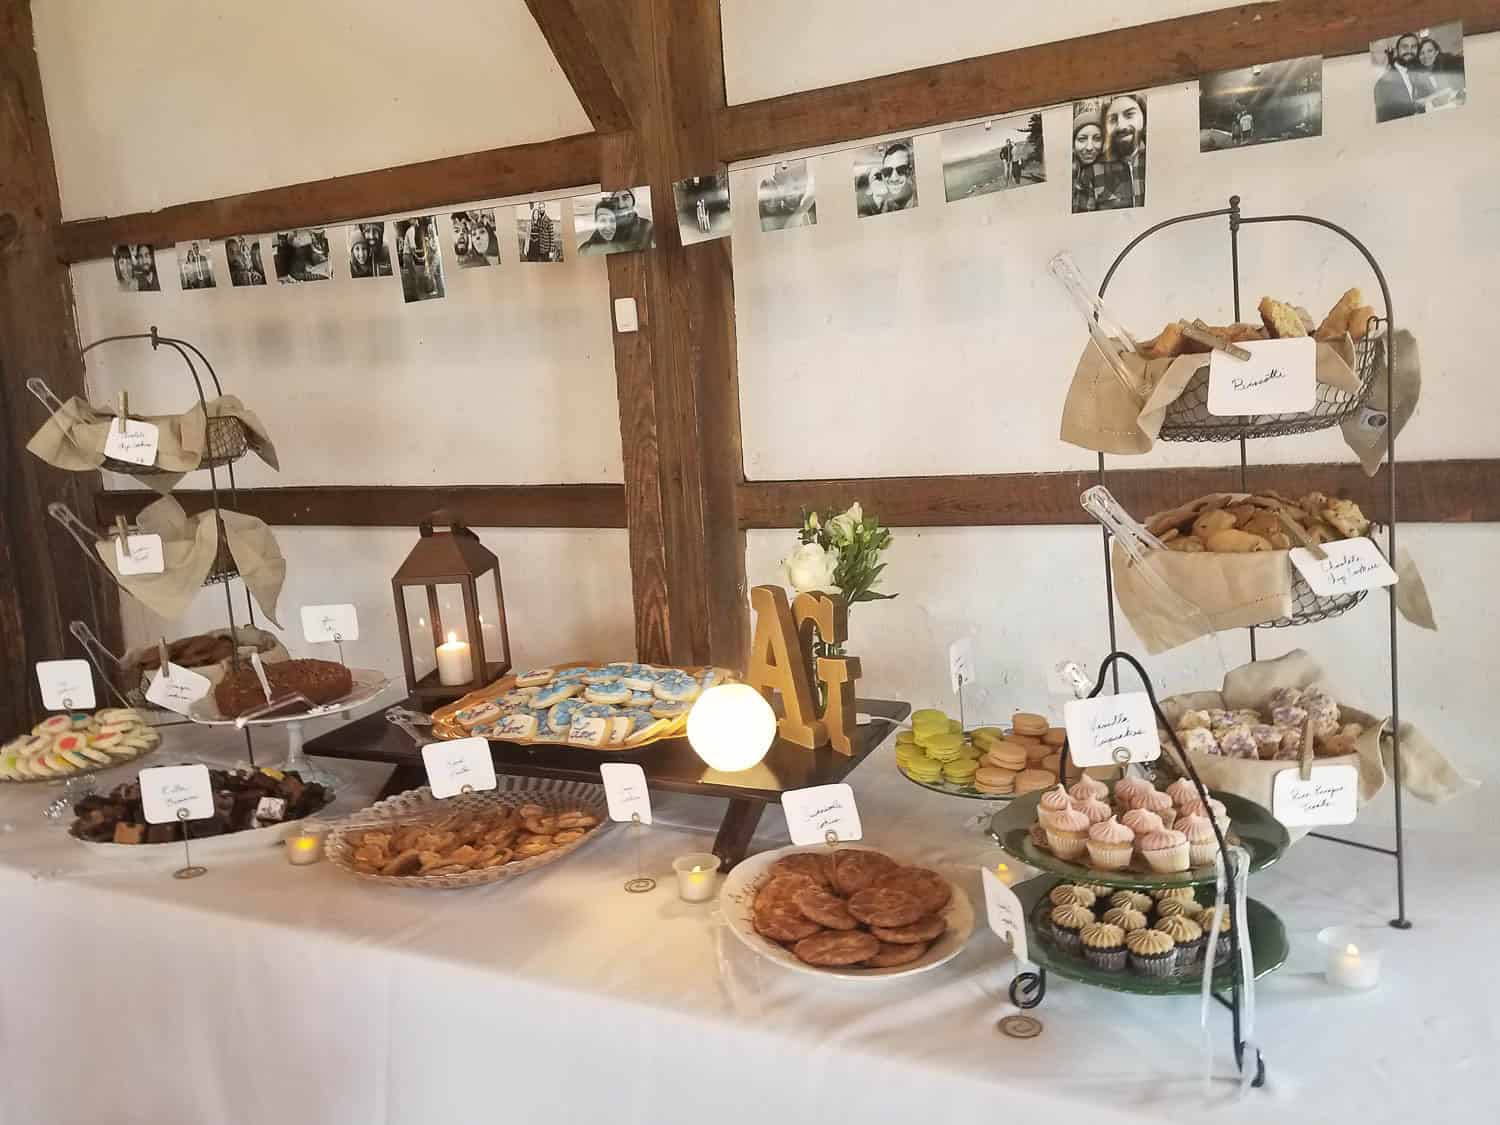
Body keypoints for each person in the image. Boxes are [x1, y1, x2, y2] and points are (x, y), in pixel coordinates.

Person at [1102, 94, 1146, 208]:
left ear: (1144, 118)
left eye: (1129, 115)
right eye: (1112, 119)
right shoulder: (1091, 172)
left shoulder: (1162, 160)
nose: (1121, 126)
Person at [1374, 32, 1423, 122]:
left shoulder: (1418, 73)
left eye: (1414, 47)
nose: (1409, 51)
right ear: (1396, 51)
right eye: (1405, 47)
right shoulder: (1383, 83)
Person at [1415, 36, 1465, 110]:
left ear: (1436, 52)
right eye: (1422, 53)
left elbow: (1458, 88)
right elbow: (1421, 101)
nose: (1426, 56)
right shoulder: (1420, 76)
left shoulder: (1448, 62)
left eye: (1430, 51)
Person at [875, 142, 916, 212]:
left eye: (901, 170)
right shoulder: (884, 204)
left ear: (910, 172)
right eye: (888, 171)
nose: (894, 178)